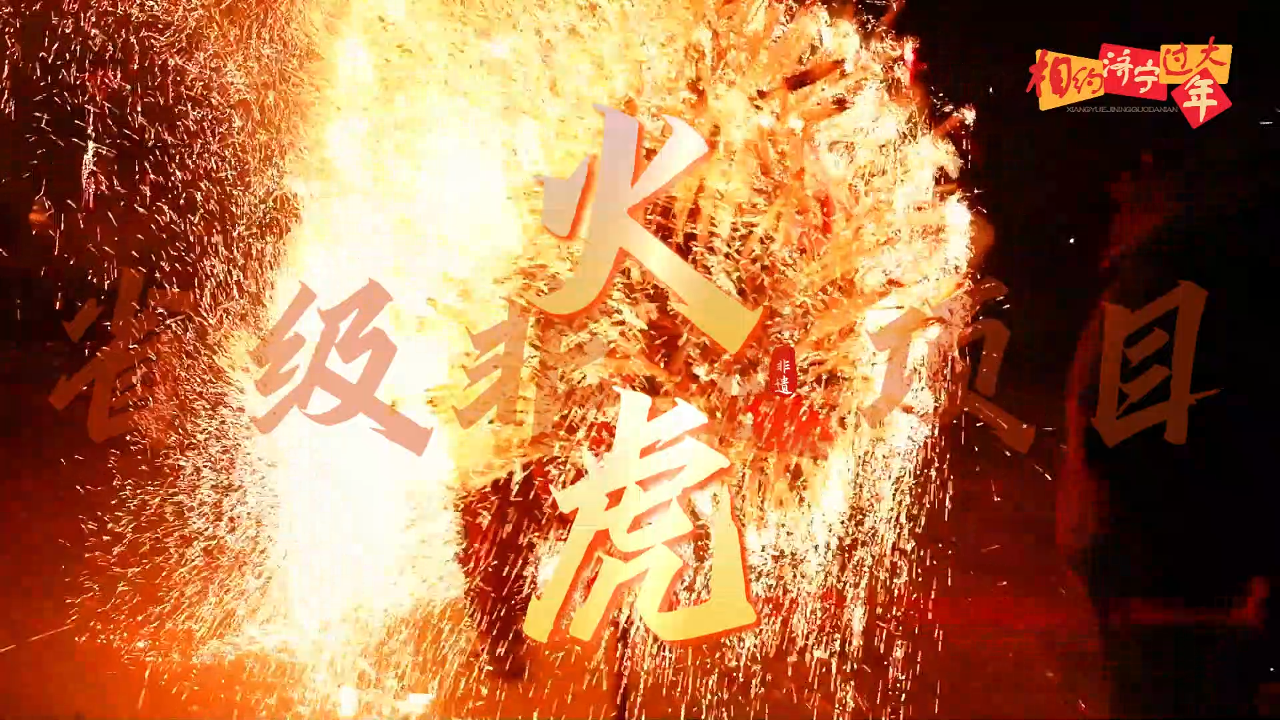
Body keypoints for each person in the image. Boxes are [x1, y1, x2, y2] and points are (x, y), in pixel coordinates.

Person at [1060, 140, 1278, 717]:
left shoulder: (1166, 283)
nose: (1114, 198)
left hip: (1177, 589)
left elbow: (1126, 440)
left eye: (1127, 185)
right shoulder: (1177, 278)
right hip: (1171, 584)